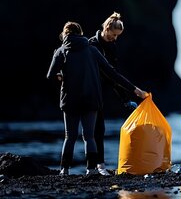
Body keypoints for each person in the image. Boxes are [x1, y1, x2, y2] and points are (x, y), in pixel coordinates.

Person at [46, 22, 147, 176]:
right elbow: (112, 74)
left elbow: (49, 76)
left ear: (65, 34)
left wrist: (61, 76)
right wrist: (135, 90)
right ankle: (91, 169)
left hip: (70, 100)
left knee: (70, 136)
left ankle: (64, 170)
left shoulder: (61, 51)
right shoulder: (92, 49)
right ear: (80, 33)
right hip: (91, 99)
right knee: (89, 136)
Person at [88, 12, 145, 176]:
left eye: (118, 36)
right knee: (89, 131)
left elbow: (113, 74)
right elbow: (108, 73)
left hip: (101, 90)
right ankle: (90, 167)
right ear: (106, 29)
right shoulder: (91, 45)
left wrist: (125, 99)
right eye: (113, 35)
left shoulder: (111, 46)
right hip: (88, 89)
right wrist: (133, 90)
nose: (115, 38)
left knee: (99, 129)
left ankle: (100, 166)